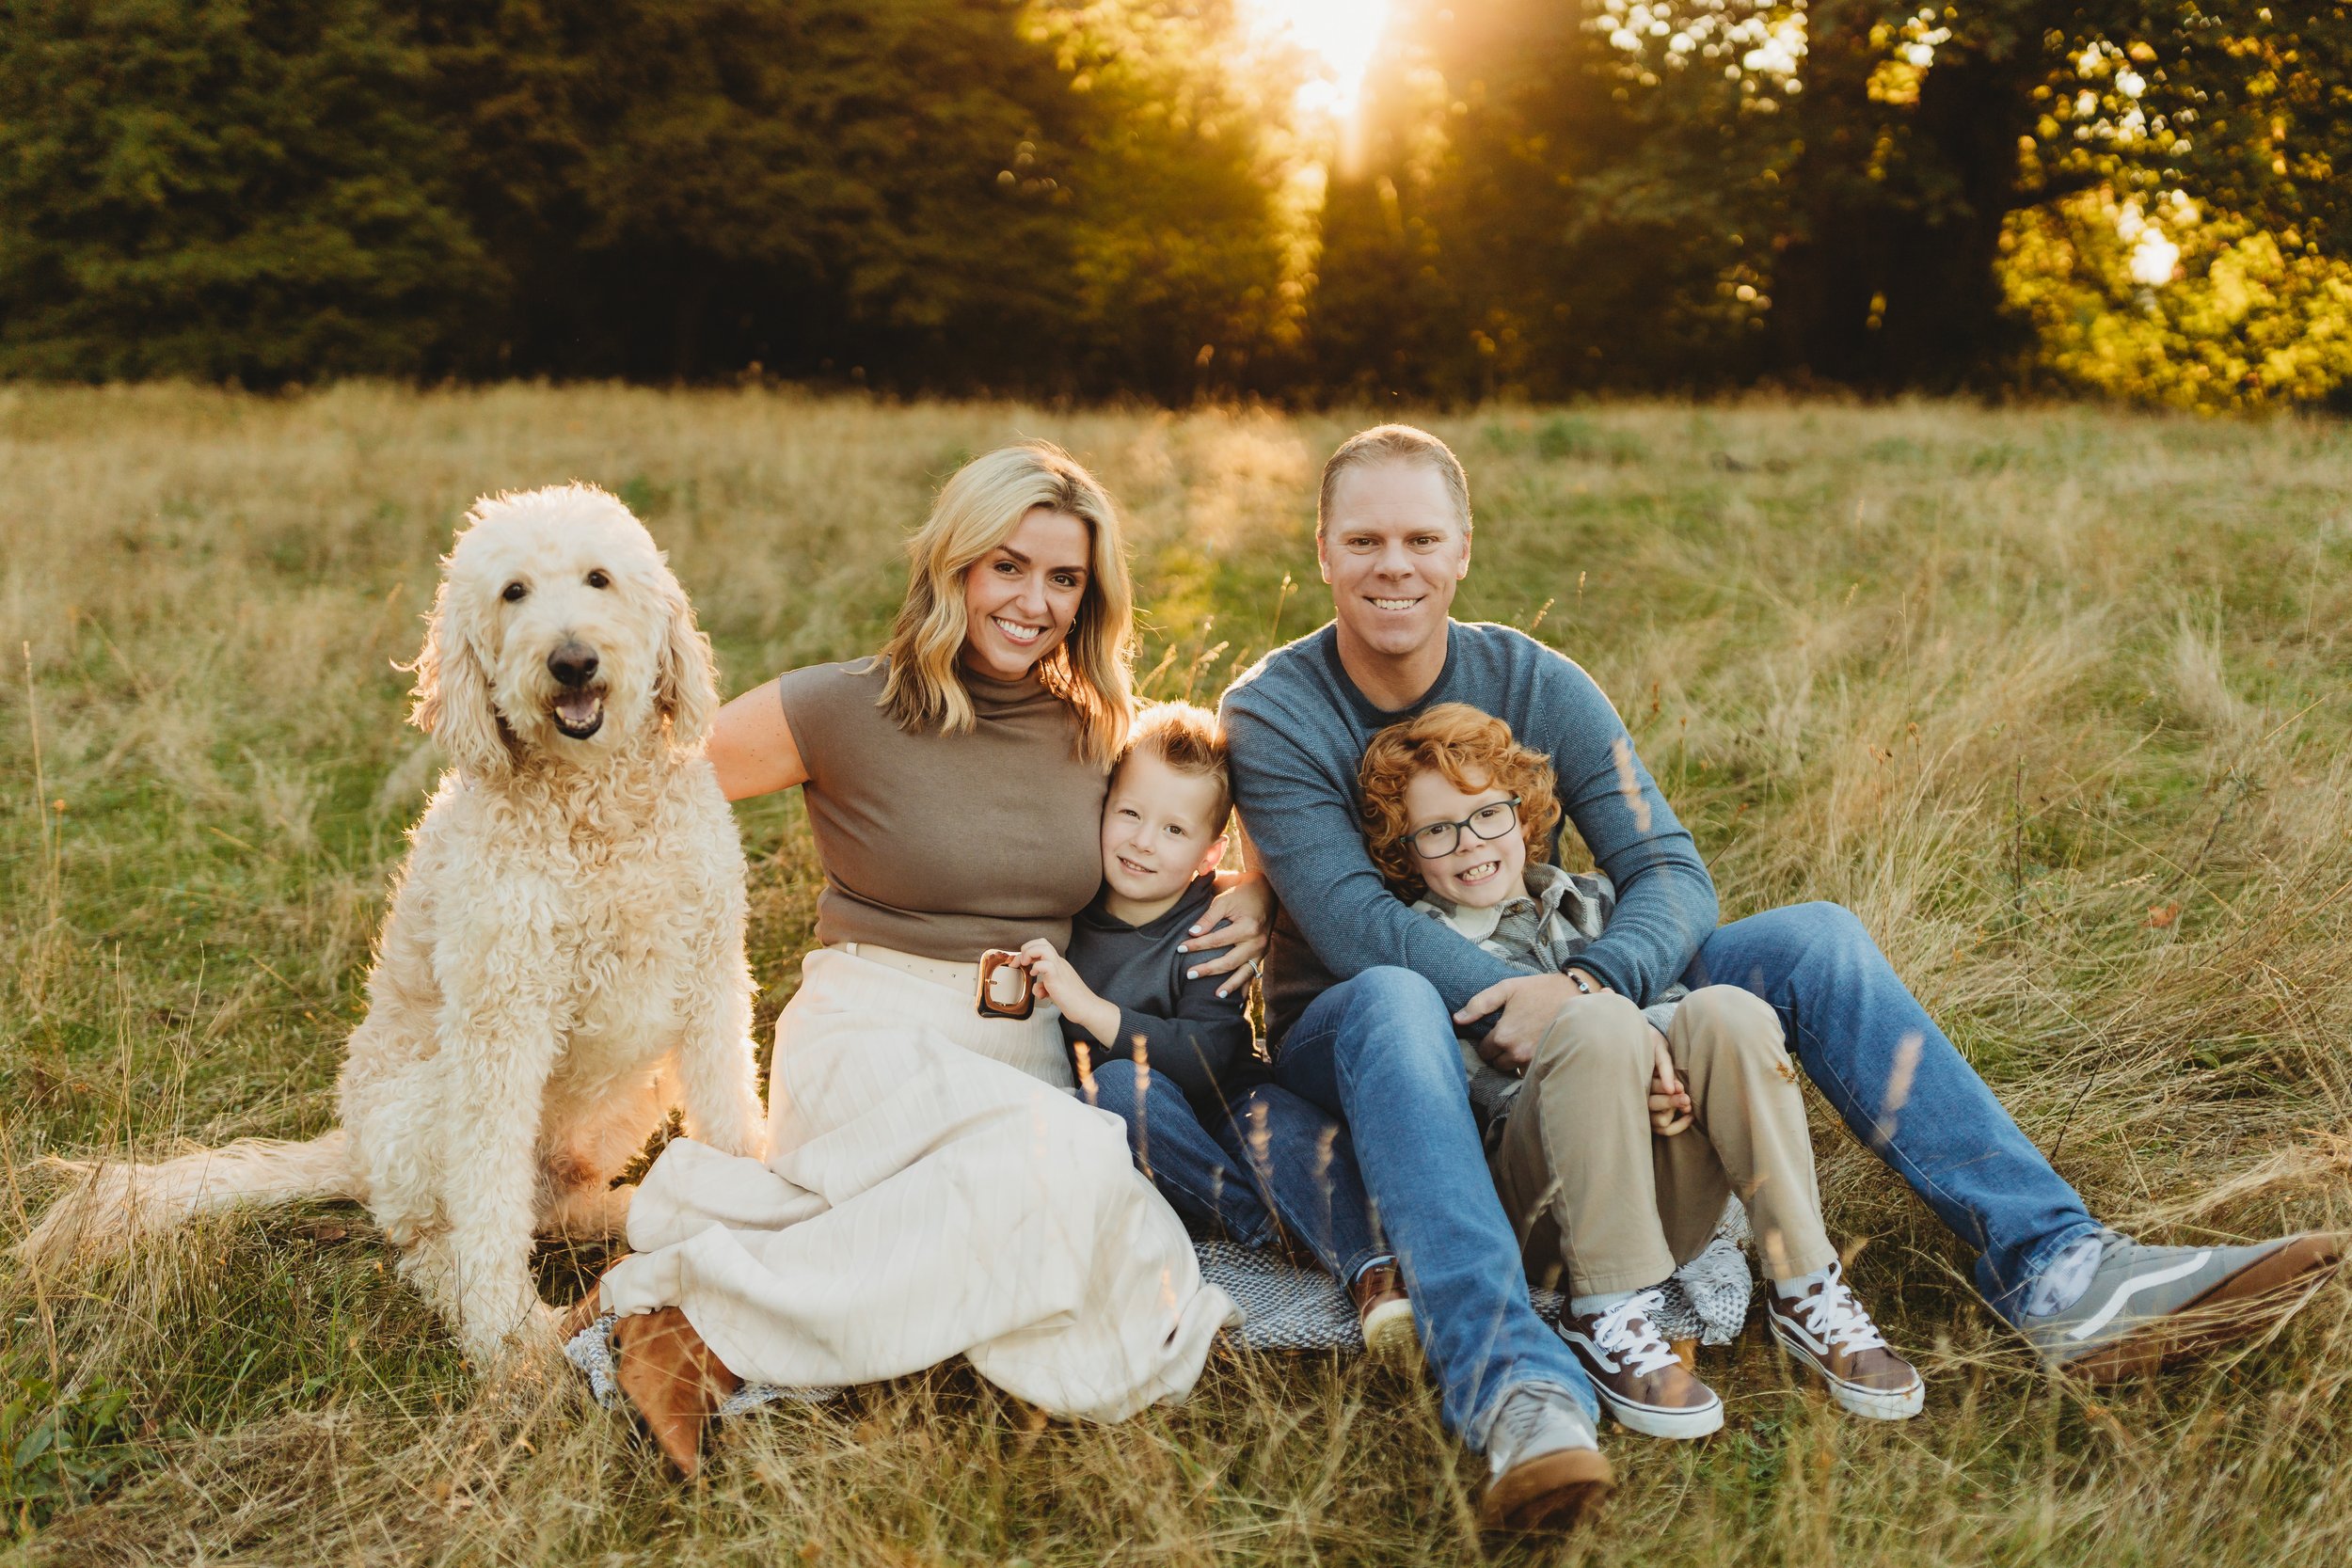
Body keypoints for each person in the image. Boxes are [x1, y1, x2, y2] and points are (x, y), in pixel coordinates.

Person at [1218, 422, 2344, 1531]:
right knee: (1397, 991)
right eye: (1364, 540)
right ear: (1320, 550)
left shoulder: (1537, 678)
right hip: (1371, 1039)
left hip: (1572, 993)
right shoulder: (1274, 708)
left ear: (1463, 547)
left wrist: (1602, 989)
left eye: (1421, 536)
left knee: (1813, 934)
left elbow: (1663, 864)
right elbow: (1357, 922)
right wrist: (1578, 1015)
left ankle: (2058, 1268)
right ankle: (1512, 1379)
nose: (1394, 566)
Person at [570, 443, 1267, 1475]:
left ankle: (719, 1282)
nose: (1034, 600)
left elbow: (1189, 810)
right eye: (1007, 565)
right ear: (954, 565)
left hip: (1025, 1049)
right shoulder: (841, 705)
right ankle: (697, 1341)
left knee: (1115, 1236)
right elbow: (643, 785)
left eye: (1063, 577)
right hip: (871, 1027)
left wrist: (1257, 887)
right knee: (1069, 1172)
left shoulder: (1103, 728)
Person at [1358, 704, 1921, 1437]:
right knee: (1594, 1017)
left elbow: (1680, 1015)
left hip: (1664, 1195)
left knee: (1729, 1010)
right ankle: (1606, 1312)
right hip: (1544, 1213)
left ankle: (1805, 1284)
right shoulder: (1421, 948)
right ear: (1407, 850)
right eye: (1437, 830)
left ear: (1522, 812)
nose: (1470, 844)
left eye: (1487, 813)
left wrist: (1655, 1064)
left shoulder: (1596, 904)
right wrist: (1612, 1038)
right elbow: (1482, 1095)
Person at [1015, 702, 1414, 1355]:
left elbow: (1210, 1053)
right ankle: (1262, 1225)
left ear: (1210, 852)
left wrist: (1088, 1007)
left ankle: (1375, 1275)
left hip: (1227, 1091)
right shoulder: (1071, 904)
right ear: (1102, 807)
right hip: (1151, 1124)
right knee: (1117, 1088)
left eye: (1173, 829)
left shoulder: (1212, 924)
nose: (1144, 841)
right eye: (1131, 814)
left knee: (1284, 1126)